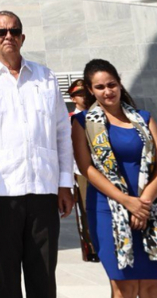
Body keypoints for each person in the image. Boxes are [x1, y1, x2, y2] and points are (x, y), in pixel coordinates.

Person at [0, 10, 75, 298]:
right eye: (1, 32)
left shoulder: (45, 77)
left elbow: (62, 132)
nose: (8, 36)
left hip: (43, 191)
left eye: (14, 30)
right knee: (5, 276)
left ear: (22, 36)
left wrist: (65, 183)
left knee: (44, 274)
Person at [72, 58, 157, 297]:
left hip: (150, 207)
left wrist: (142, 203)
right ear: (90, 89)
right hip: (108, 209)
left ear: (119, 83)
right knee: (123, 286)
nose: (108, 91)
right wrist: (127, 202)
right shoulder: (82, 123)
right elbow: (87, 169)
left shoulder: (143, 118)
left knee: (152, 285)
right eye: (100, 87)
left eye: (112, 84)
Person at [67, 78, 99, 263]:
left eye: (85, 94)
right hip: (82, 170)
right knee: (86, 210)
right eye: (79, 95)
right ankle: (91, 248)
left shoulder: (100, 115)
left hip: (102, 169)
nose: (83, 98)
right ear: (73, 98)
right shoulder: (70, 120)